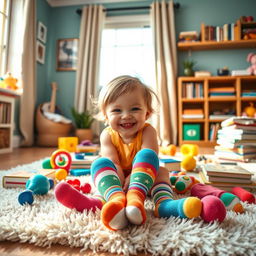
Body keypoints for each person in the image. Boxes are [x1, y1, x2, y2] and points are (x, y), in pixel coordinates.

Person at [55, 75, 202, 231]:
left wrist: (134, 178)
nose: (126, 115)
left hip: (145, 178)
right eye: (117, 110)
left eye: (135, 109)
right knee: (99, 164)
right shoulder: (107, 135)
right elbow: (114, 163)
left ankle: (162, 204)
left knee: (161, 171)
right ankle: (102, 202)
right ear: (106, 116)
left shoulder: (148, 132)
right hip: (117, 178)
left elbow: (149, 158)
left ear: (147, 113)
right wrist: (120, 180)